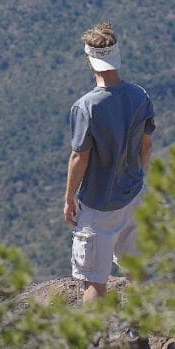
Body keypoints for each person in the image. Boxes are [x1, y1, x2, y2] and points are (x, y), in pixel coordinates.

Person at [63, 22, 154, 304]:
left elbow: (80, 156)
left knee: (94, 282)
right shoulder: (140, 96)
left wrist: (69, 199)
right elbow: (146, 145)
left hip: (99, 204)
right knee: (136, 271)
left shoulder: (86, 107)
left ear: (90, 60)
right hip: (133, 195)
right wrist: (138, 177)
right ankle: (138, 335)